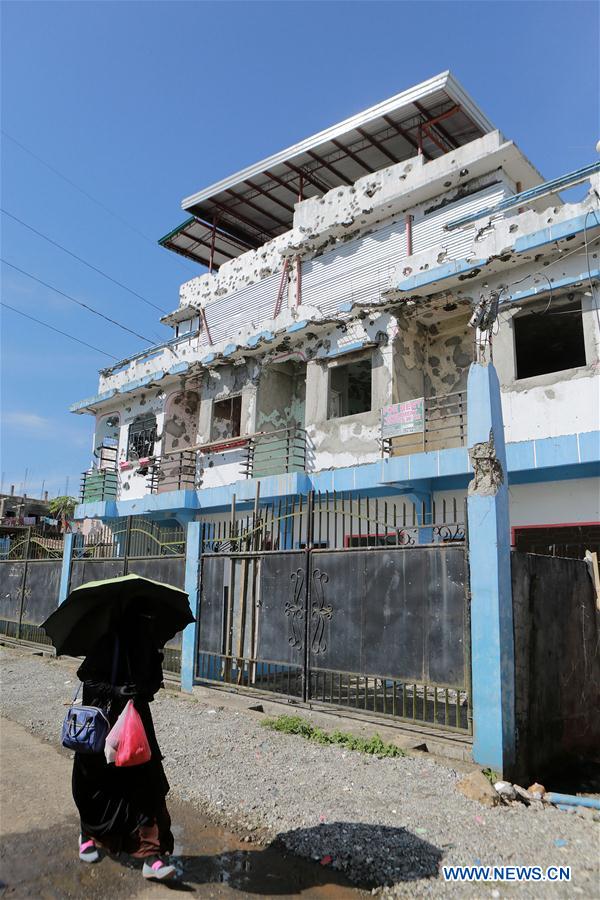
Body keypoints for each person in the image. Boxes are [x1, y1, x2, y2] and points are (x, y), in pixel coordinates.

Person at [72, 611, 176, 882]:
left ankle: (151, 857)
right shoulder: (108, 641)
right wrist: (116, 691)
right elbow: (88, 678)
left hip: (136, 726)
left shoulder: (148, 645)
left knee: (147, 787)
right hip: (103, 725)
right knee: (97, 787)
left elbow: (153, 686)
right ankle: (88, 833)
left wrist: (144, 684)